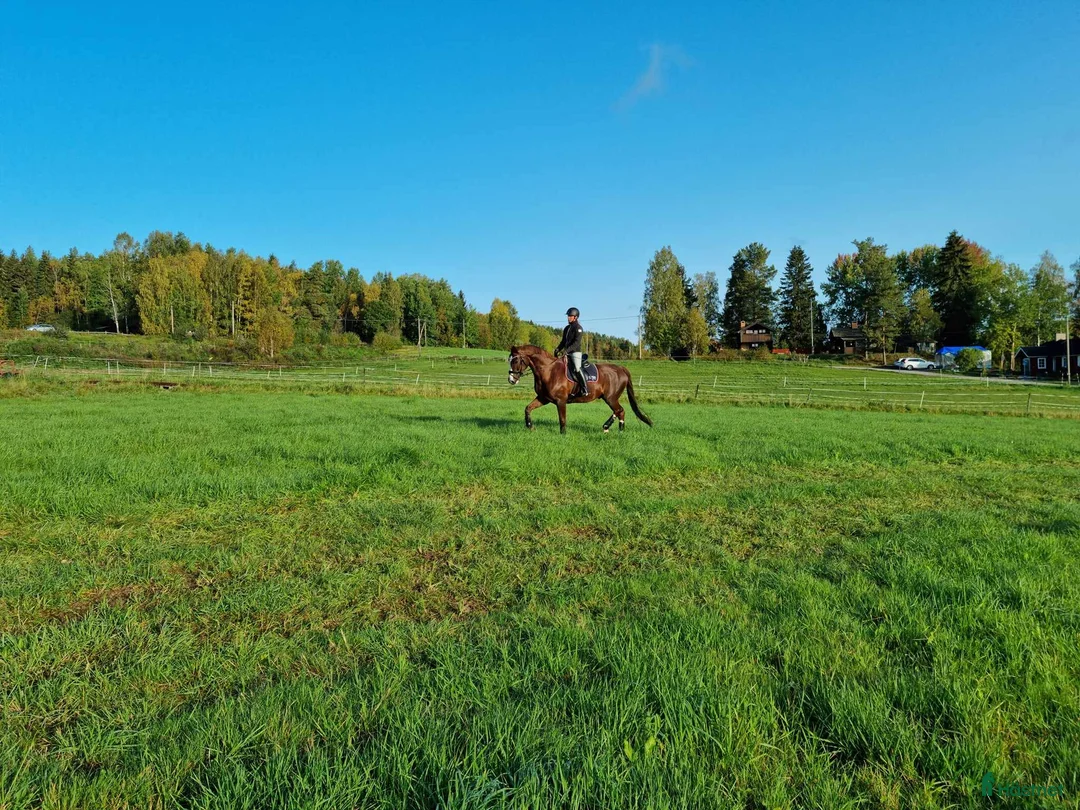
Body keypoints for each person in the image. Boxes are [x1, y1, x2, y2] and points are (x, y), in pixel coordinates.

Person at [555, 307, 589, 397]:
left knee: (577, 368)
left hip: (575, 353)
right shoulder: (567, 328)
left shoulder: (578, 328)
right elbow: (563, 342)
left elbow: (576, 343)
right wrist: (558, 349)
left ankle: (585, 389)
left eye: (570, 316)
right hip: (567, 352)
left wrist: (567, 350)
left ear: (576, 317)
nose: (568, 318)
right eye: (568, 316)